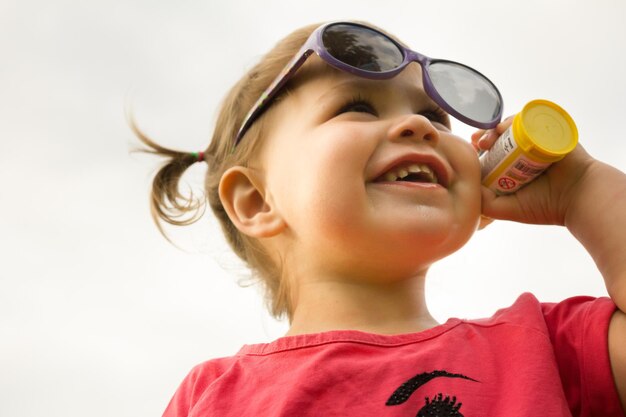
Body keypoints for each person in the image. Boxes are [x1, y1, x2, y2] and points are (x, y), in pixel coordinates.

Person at [134, 21, 626, 416]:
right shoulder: (213, 397)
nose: (418, 126)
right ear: (257, 201)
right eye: (357, 107)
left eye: (435, 116)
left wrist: (585, 192)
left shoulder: (545, 351)